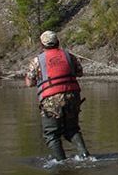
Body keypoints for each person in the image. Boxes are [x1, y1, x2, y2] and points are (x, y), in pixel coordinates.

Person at [24, 30, 91, 161]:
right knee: (72, 129)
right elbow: (80, 73)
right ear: (58, 42)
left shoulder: (37, 60)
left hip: (51, 100)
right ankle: (85, 157)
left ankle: (61, 163)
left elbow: (29, 82)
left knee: (52, 134)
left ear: (42, 45)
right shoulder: (69, 56)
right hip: (72, 97)